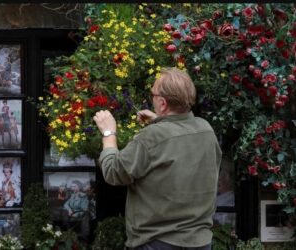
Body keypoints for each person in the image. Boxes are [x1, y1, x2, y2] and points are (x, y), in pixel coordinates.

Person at [93, 67, 222, 250]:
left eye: (152, 94)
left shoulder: (151, 137)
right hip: (200, 242)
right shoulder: (206, 130)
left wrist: (108, 132)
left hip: (157, 242)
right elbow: (177, 143)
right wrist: (159, 121)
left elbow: (114, 172)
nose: (151, 98)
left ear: (162, 103)